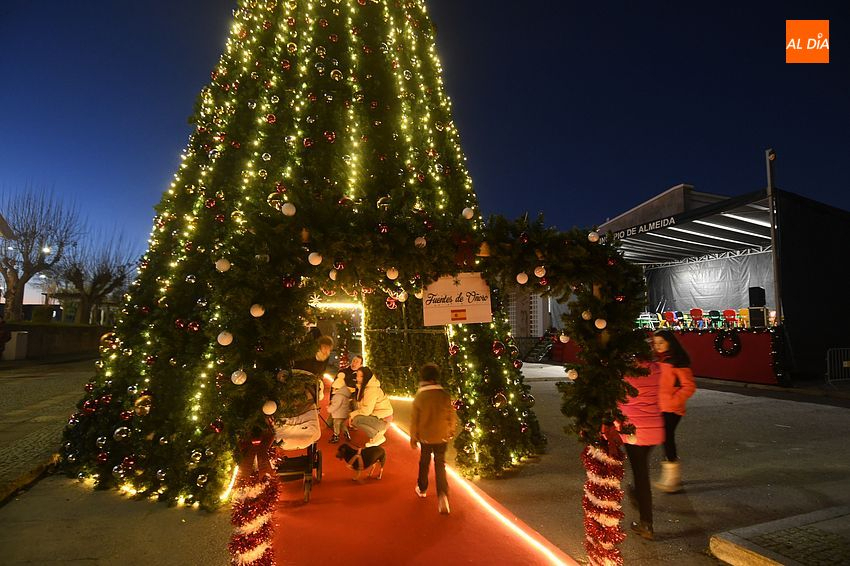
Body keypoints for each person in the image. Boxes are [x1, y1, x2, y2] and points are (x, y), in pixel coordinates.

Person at [619, 358, 665, 540]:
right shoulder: (657, 369)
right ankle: (637, 495)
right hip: (654, 427)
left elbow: (620, 401)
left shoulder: (625, 372)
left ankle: (646, 523)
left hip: (634, 430)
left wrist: (617, 425)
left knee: (641, 474)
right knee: (641, 472)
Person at [652, 329, 697, 493]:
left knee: (667, 437)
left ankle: (672, 475)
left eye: (661, 343)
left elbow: (689, 386)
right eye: (655, 343)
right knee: (665, 437)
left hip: (672, 408)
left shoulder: (677, 362)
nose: (657, 346)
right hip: (660, 406)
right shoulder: (659, 361)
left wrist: (674, 400)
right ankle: (672, 474)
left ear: (670, 342)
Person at [410, 363, 458, 515]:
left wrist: (413, 437)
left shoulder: (420, 396)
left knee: (424, 463)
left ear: (423, 378)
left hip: (425, 437)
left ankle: (422, 488)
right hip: (442, 436)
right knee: (440, 464)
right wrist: (450, 430)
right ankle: (442, 494)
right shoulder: (444, 394)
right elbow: (451, 415)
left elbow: (414, 419)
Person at [348, 367, 393, 447]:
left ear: (366, 377)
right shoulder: (363, 387)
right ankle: (377, 434)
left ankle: (377, 436)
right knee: (356, 418)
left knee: (356, 419)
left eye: (360, 376)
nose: (357, 378)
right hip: (377, 415)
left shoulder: (371, 390)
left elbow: (366, 411)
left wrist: (352, 415)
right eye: (357, 375)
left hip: (383, 418)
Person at [327, 372, 353, 444]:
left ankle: (336, 436)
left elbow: (335, 405)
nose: (333, 390)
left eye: (336, 389)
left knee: (336, 424)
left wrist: (329, 409)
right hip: (344, 413)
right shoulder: (345, 394)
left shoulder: (338, 396)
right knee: (342, 424)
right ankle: (346, 434)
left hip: (338, 414)